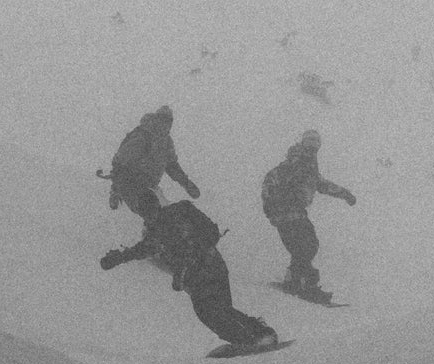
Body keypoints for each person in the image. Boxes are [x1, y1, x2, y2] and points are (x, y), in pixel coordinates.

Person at [100, 200, 277, 351]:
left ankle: (247, 341)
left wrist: (180, 274)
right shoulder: (174, 216)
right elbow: (143, 249)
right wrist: (119, 258)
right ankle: (261, 333)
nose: (145, 217)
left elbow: (185, 250)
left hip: (200, 276)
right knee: (222, 310)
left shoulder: (162, 228)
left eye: (145, 212)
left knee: (208, 313)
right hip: (216, 267)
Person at [261, 130, 355, 301]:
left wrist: (345, 194)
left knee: (303, 247)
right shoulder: (296, 163)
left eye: (315, 147)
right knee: (307, 245)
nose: (312, 151)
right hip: (287, 212)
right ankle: (307, 285)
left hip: (293, 213)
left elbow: (321, 184)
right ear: (304, 145)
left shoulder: (308, 166)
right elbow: (272, 179)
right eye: (310, 146)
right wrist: (271, 205)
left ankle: (294, 280)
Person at [105, 105, 199, 225]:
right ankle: (152, 239)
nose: (166, 125)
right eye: (163, 120)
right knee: (150, 206)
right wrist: (117, 186)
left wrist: (187, 183)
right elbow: (121, 160)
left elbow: (171, 166)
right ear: (157, 118)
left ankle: (160, 237)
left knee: (165, 213)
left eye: (169, 122)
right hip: (131, 181)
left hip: (149, 185)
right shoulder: (143, 135)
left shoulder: (166, 142)